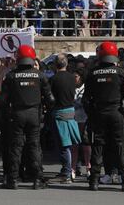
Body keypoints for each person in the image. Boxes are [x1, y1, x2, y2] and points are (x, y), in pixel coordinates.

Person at [82, 41, 124, 191]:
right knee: (121, 147)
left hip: (99, 113)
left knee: (98, 147)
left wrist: (92, 115)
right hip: (116, 113)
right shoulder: (121, 73)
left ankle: (94, 181)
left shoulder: (92, 73)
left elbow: (85, 100)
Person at [0, 45, 54, 190]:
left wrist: (7, 115)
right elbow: (50, 99)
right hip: (34, 114)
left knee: (16, 147)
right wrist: (47, 112)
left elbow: (2, 101)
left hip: (17, 114)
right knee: (34, 146)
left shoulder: (11, 76)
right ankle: (37, 180)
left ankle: (12, 180)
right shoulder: (40, 75)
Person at [50, 54, 81, 184]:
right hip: (71, 111)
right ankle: (70, 169)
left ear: (55, 65)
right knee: (69, 144)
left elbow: (50, 97)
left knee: (63, 145)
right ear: (66, 64)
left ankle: (66, 172)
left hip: (59, 112)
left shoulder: (53, 79)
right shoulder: (72, 78)